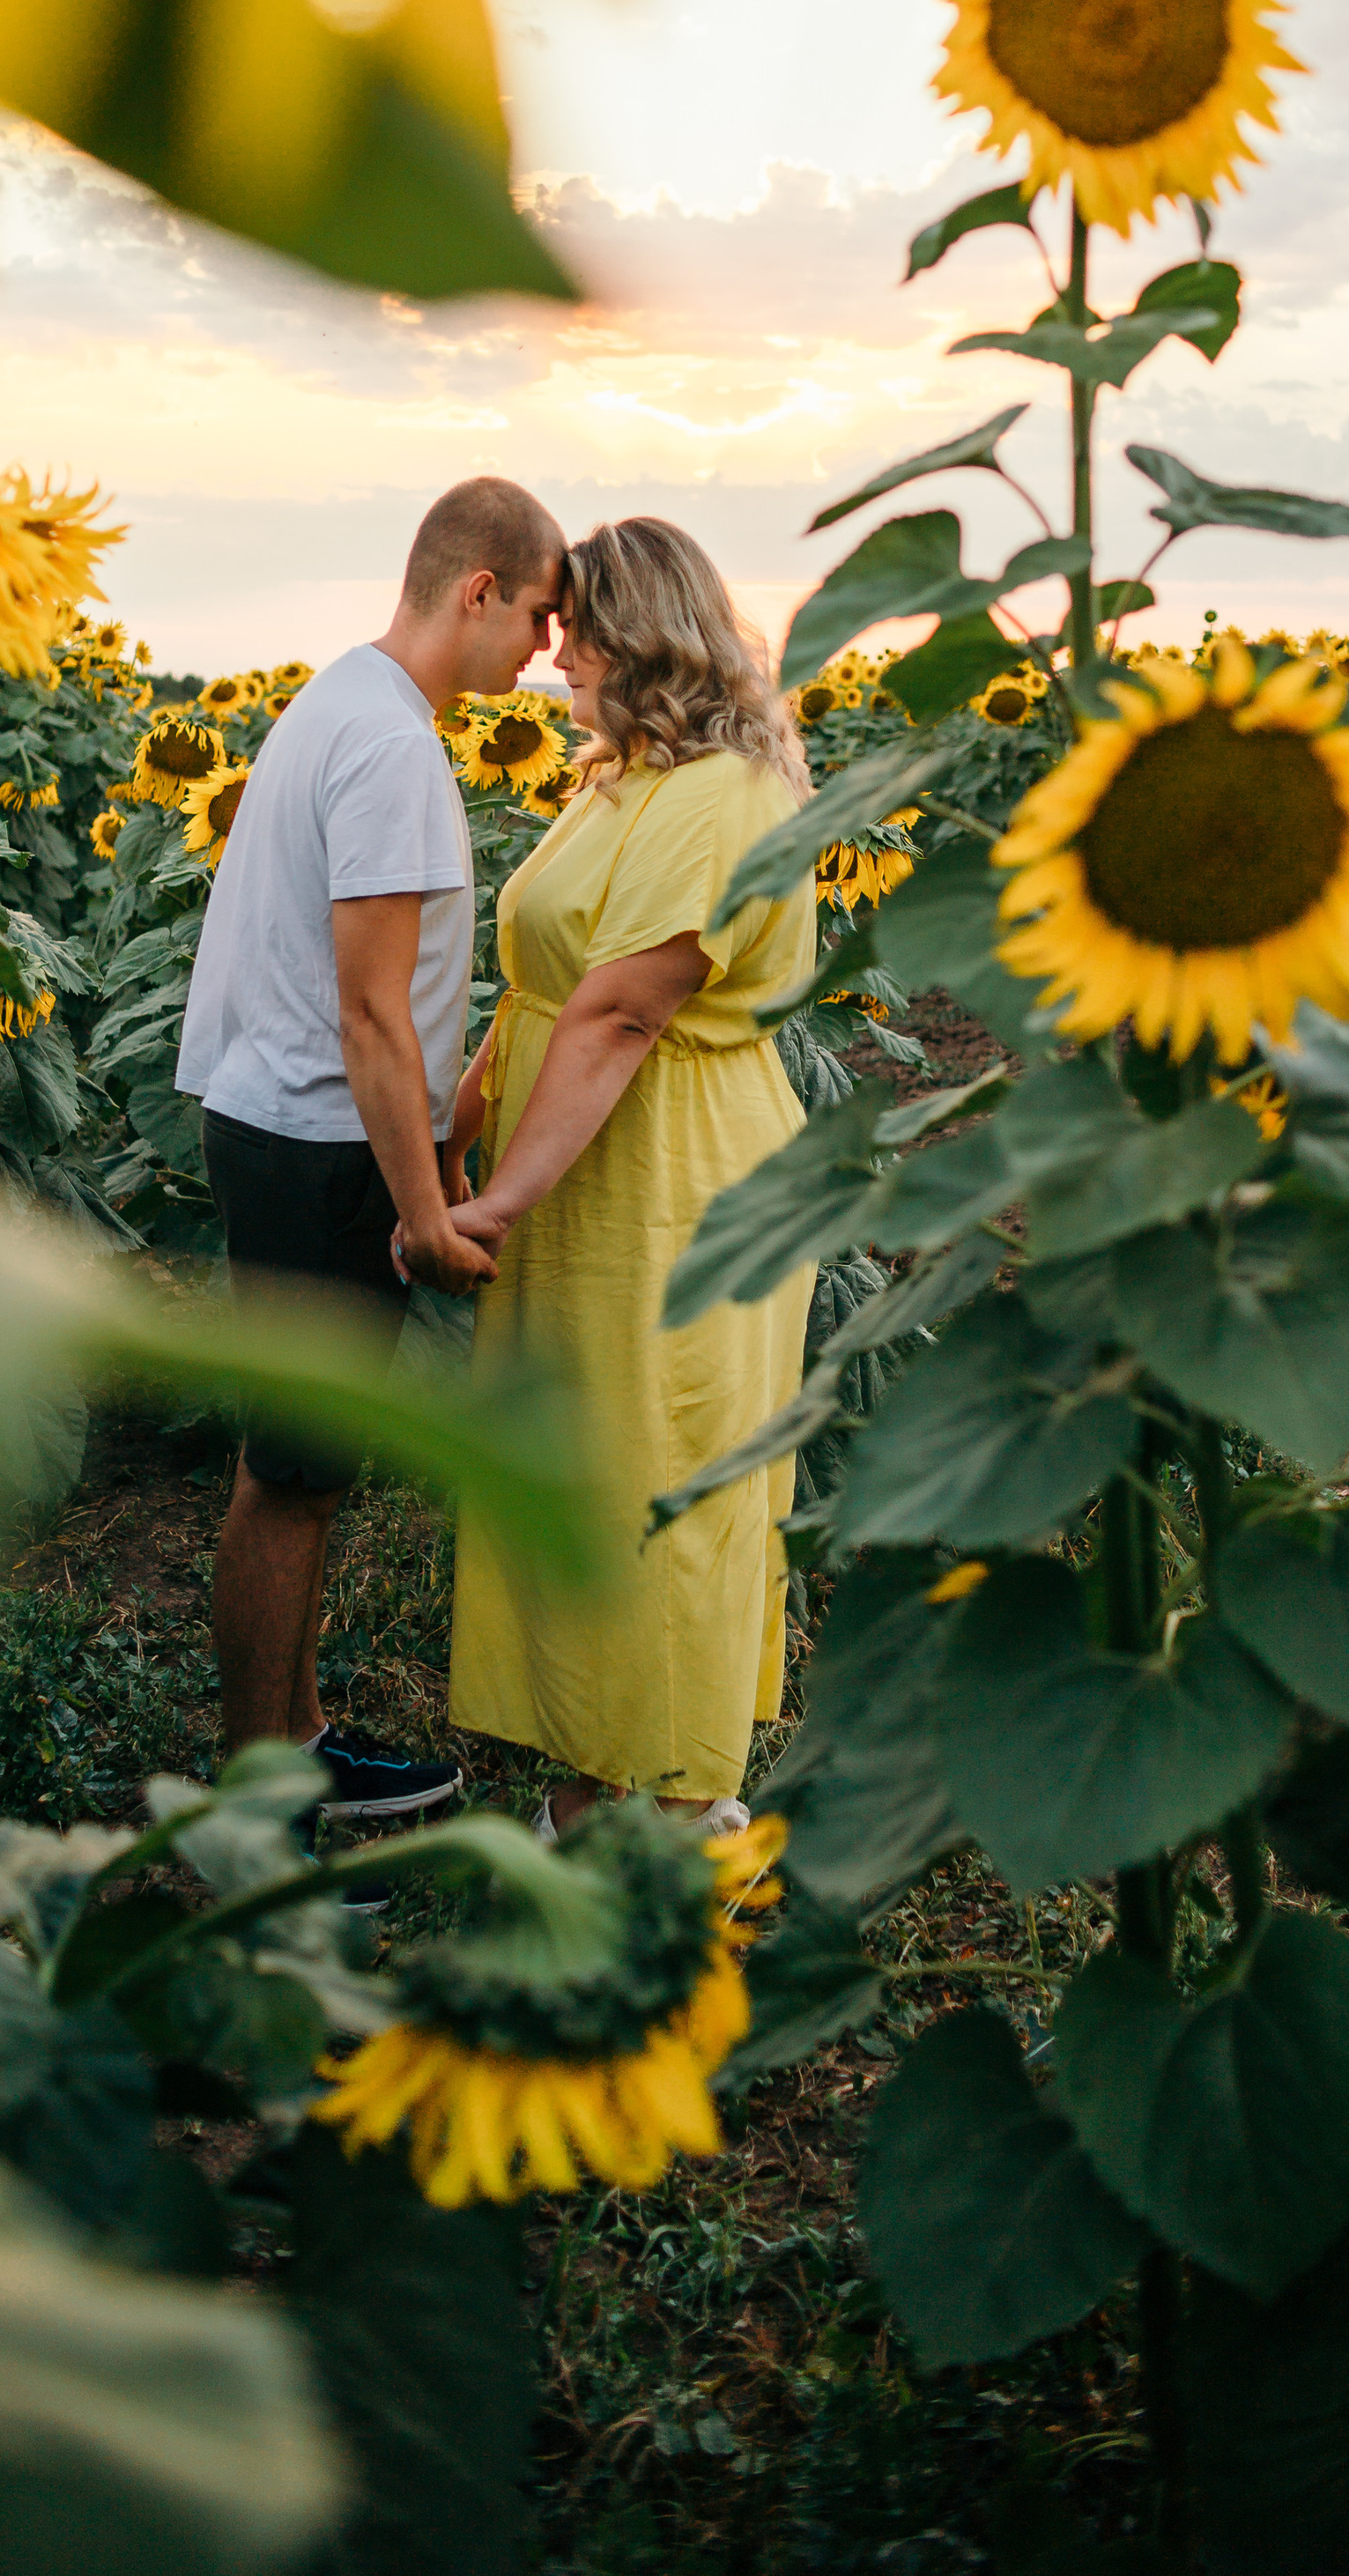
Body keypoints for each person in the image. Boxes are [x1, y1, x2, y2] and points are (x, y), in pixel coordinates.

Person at [176, 475, 565, 1829]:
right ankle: (260, 1790)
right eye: (537, 617)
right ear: (479, 592)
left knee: (300, 1463)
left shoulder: (343, 698)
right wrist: (429, 1210)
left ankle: (298, 1739)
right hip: (321, 1139)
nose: (544, 653)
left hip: (275, 1117)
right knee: (291, 1480)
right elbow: (373, 1012)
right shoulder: (396, 747)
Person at [441, 516, 817, 1839]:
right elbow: (542, 981)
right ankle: (595, 1774)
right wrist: (466, 1116)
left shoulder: (720, 795)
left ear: (639, 633)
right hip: (580, 1164)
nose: (550, 657)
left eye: (573, 629)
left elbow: (619, 1015)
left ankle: (684, 1805)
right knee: (586, 1469)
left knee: (669, 1471)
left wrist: (494, 1199)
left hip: (673, 1179)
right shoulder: (619, 782)